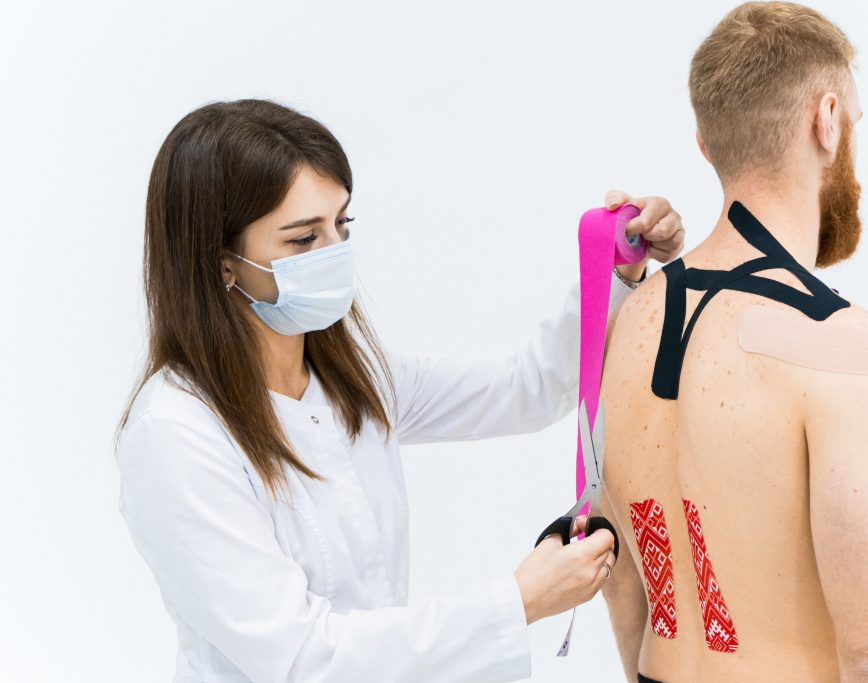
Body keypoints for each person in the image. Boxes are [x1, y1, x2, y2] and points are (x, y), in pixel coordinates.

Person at [114, 98, 685, 683]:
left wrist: (616, 271)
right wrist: (520, 600)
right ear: (220, 263)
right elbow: (304, 657)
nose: (334, 252)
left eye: (342, 224)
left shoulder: (353, 380)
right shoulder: (177, 436)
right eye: (302, 239)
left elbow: (528, 389)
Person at [595, 3, 868, 682]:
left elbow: (622, 581)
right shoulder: (838, 344)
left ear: (704, 141)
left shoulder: (628, 321)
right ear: (828, 118)